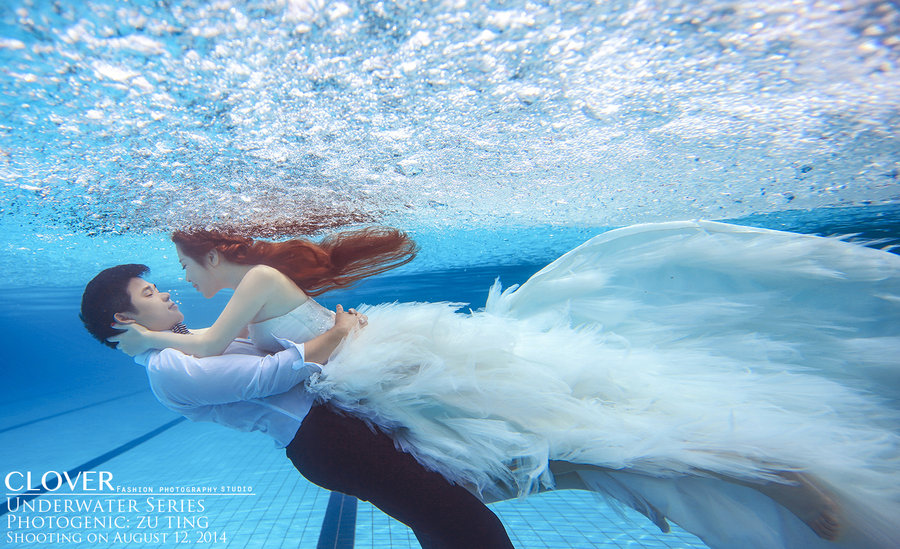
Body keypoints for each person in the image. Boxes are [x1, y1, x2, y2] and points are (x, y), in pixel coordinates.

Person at [109, 222, 900, 549]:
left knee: (558, 441)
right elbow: (265, 349)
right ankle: (745, 471)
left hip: (383, 378)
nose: (178, 283)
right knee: (542, 453)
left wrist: (150, 336)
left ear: (215, 256)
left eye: (177, 271)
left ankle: (757, 470)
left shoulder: (236, 298)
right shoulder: (203, 343)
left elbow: (254, 350)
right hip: (378, 381)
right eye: (156, 290)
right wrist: (327, 331)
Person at [80, 263, 516, 549]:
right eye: (152, 293)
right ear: (124, 318)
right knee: (460, 522)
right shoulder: (167, 368)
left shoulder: (184, 341)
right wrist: (336, 334)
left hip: (334, 429)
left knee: (445, 516)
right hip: (326, 441)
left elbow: (265, 341)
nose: (169, 295)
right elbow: (267, 375)